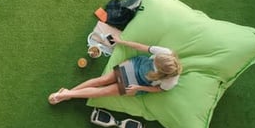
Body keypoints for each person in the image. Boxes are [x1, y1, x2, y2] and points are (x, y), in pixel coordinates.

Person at [48, 34, 182, 105]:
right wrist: (121, 41)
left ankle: (66, 95)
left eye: (156, 64)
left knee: (104, 91)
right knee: (103, 80)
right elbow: (142, 47)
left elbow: (158, 89)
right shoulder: (166, 52)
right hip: (136, 64)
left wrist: (139, 89)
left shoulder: (171, 81)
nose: (154, 60)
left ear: (162, 71)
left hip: (140, 84)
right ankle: (67, 94)